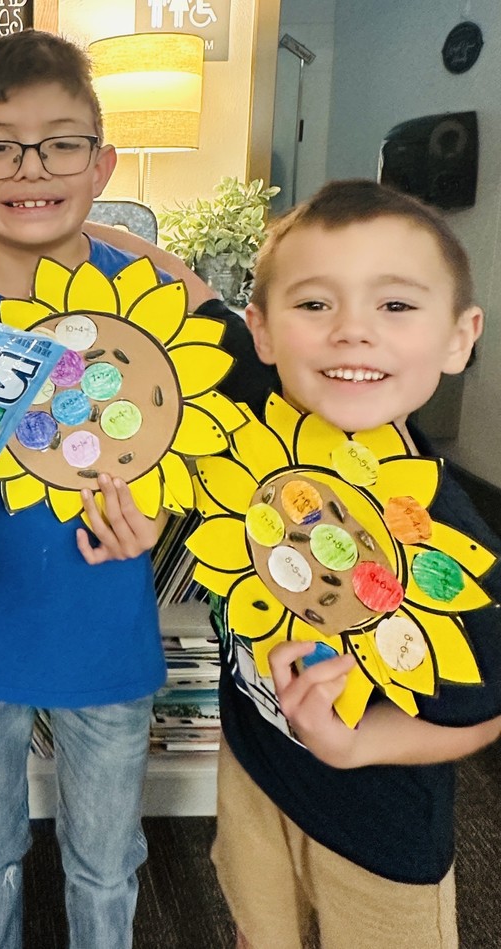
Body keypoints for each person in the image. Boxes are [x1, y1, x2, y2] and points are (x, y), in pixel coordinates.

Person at [0, 30, 266, 949]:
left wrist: (163, 516)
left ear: (101, 163)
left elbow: (201, 452)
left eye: (62, 143)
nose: (32, 167)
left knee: (107, 859)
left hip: (106, 637)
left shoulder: (150, 304)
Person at [212, 179, 501, 949]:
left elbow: (482, 715)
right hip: (256, 766)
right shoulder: (260, 439)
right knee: (255, 924)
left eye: (396, 306)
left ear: (458, 336)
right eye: (314, 305)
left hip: (375, 824)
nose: (352, 332)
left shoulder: (453, 543)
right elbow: (188, 301)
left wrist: (356, 743)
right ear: (264, 331)